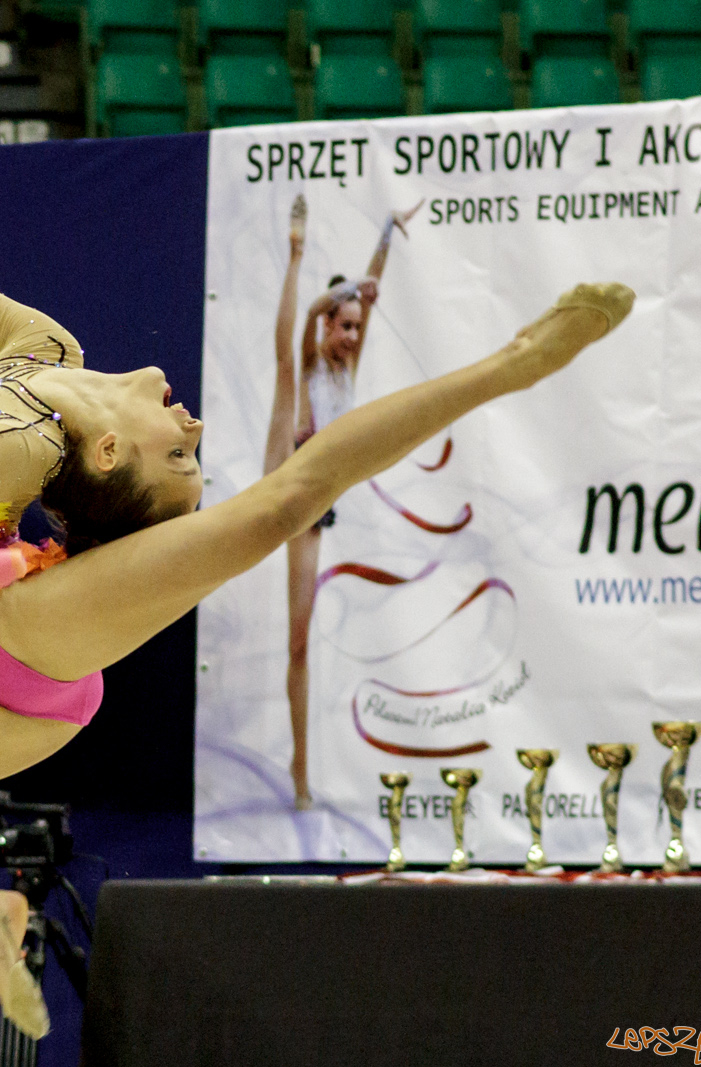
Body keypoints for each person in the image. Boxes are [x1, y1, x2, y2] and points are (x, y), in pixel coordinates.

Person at [0, 49, 634, 1038]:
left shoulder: (21, 445)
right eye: (194, 451)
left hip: (15, 659)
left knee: (273, 510)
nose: (194, 430)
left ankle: (510, 366)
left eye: (179, 458)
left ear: (106, 454)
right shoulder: (44, 349)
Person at [263, 194, 422, 809]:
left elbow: (370, 291)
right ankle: (301, 776)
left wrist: (386, 232)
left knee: (299, 644)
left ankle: (300, 772)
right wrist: (302, 256)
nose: (353, 337)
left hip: (315, 504)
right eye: (344, 326)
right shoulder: (309, 362)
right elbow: (302, 318)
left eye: (357, 328)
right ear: (329, 325)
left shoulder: (345, 370)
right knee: (298, 644)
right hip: (285, 496)